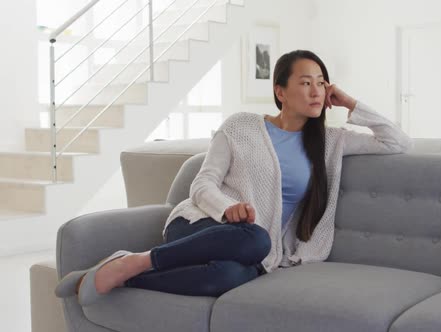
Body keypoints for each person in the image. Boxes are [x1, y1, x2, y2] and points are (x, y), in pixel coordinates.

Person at [55, 50, 413, 305]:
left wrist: (350, 103)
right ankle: (140, 259)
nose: (317, 90)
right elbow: (202, 185)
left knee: (228, 277)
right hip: (199, 225)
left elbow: (396, 141)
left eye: (322, 83)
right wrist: (228, 209)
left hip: (255, 250)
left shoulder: (331, 141)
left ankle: (121, 273)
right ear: (280, 91)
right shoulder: (240, 126)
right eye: (306, 82)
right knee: (254, 240)